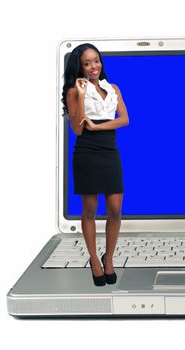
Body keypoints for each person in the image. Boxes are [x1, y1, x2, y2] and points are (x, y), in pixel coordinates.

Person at [61, 43, 129, 286]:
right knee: (89, 209)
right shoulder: (73, 90)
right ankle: (94, 259)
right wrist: (80, 95)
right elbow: (78, 129)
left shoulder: (113, 88)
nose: (93, 66)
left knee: (115, 208)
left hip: (110, 151)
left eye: (96, 61)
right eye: (87, 63)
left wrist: (99, 126)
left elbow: (124, 119)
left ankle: (108, 257)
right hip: (87, 152)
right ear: (79, 66)